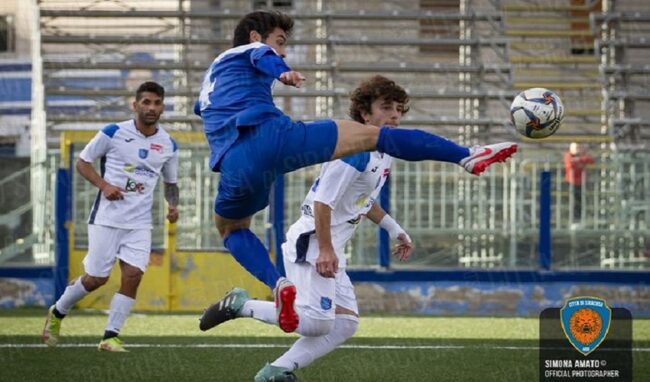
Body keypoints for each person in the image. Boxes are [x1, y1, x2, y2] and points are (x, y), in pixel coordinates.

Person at [195, 10, 517, 333]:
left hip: (235, 164)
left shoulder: (211, 80)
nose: (284, 50)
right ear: (254, 37)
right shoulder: (248, 50)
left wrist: (391, 226)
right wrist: (283, 72)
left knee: (233, 229)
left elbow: (208, 111)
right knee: (379, 137)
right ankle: (465, 156)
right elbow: (263, 56)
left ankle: (277, 283)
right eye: (281, 42)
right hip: (274, 137)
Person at [199, 75, 415, 382]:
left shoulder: (383, 151)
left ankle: (277, 371)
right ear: (365, 114)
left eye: (398, 108)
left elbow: (363, 201)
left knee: (345, 324)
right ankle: (240, 305)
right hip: (312, 243)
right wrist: (326, 249)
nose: (394, 114)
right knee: (315, 324)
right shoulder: (355, 151)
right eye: (386, 107)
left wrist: (395, 230)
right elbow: (323, 203)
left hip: (330, 247)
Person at [42, 81, 179, 352]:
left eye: (157, 103)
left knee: (134, 275)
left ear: (163, 106)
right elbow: (83, 162)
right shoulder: (113, 132)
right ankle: (58, 312)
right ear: (135, 104)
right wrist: (105, 186)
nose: (152, 108)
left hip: (140, 222)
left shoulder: (168, 144)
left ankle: (110, 336)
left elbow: (170, 182)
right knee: (96, 279)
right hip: (106, 218)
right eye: (146, 102)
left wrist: (173, 205)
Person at [564, 142, 594, 223]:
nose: (578, 150)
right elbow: (570, 164)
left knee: (581, 201)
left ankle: (580, 219)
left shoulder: (582, 155)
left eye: (579, 148)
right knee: (574, 202)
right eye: (576, 148)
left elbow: (590, 160)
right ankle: (574, 219)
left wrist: (578, 160)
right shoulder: (568, 155)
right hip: (571, 182)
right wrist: (581, 163)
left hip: (581, 182)